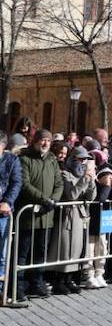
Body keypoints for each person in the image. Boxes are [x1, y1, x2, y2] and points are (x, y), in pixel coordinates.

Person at [14, 129, 63, 300]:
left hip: (46, 216)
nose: (45, 144)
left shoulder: (52, 160)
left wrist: (53, 201)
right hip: (28, 216)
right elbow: (25, 184)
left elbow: (59, 184)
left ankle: (37, 282)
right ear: (35, 141)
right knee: (23, 252)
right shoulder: (25, 159)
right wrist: (44, 199)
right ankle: (18, 286)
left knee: (41, 252)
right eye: (42, 140)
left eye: (48, 141)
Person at [54, 147, 96, 294]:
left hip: (81, 215)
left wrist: (91, 180)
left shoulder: (84, 175)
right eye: (80, 159)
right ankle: (59, 281)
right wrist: (85, 179)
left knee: (77, 249)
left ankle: (69, 279)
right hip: (69, 215)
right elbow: (72, 194)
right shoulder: (65, 174)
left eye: (86, 159)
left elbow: (91, 197)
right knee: (66, 249)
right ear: (73, 159)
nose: (83, 162)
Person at [0, 132, 23, 306]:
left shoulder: (12, 161)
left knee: (2, 254)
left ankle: (0, 291)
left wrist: (7, 201)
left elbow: (16, 183)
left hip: (3, 213)